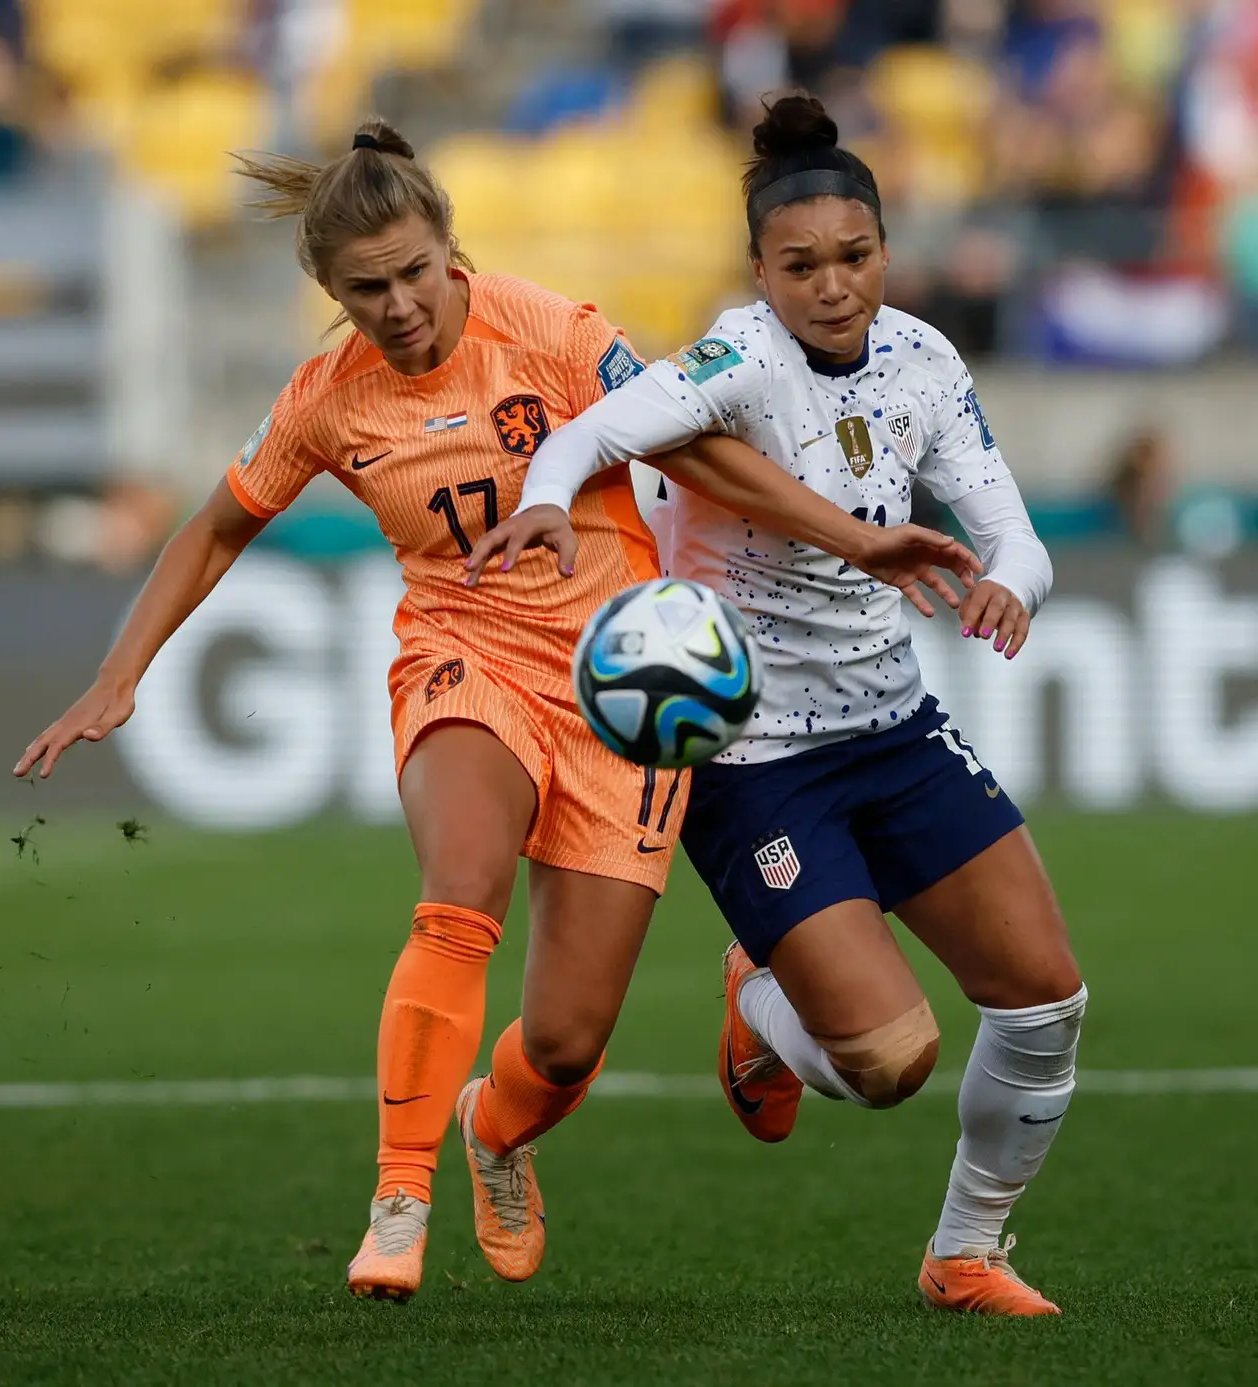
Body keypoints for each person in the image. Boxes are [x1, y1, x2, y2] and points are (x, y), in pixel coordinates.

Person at [11, 119, 977, 1304]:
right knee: (458, 882)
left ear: (449, 250)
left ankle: (495, 1130)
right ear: (329, 288)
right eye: (367, 288)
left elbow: (705, 450)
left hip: (623, 691)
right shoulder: (327, 399)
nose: (401, 305)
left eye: (415, 272)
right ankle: (399, 1195)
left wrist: (861, 539)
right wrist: (125, 669)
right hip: (464, 655)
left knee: (566, 1043)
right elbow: (218, 523)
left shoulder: (557, 334)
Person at [470, 93, 1087, 1318]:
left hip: (897, 725)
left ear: (884, 253)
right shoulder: (738, 358)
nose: (834, 286)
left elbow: (1011, 532)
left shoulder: (923, 358)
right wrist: (546, 493)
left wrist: (1011, 588)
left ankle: (967, 1252)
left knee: (1048, 1001)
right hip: (753, 753)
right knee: (888, 1062)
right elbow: (597, 431)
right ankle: (759, 1006)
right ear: (760, 272)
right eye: (801, 265)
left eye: (854, 258)